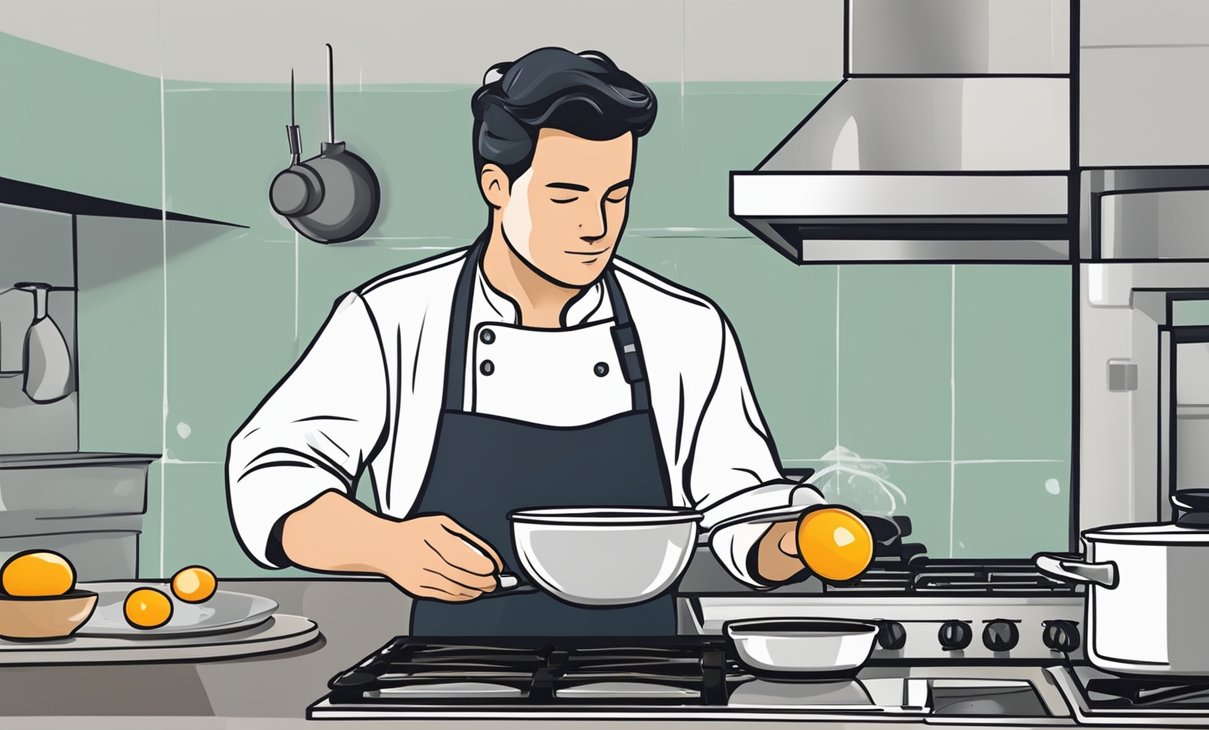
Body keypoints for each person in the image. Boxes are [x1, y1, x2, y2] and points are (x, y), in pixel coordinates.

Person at [226, 47, 824, 637]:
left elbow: (742, 507)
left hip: (640, 677)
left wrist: (797, 541)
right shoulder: (393, 318)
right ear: (496, 185)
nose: (596, 227)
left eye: (615, 196)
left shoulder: (683, 327)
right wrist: (383, 543)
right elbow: (269, 476)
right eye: (566, 197)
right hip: (449, 681)